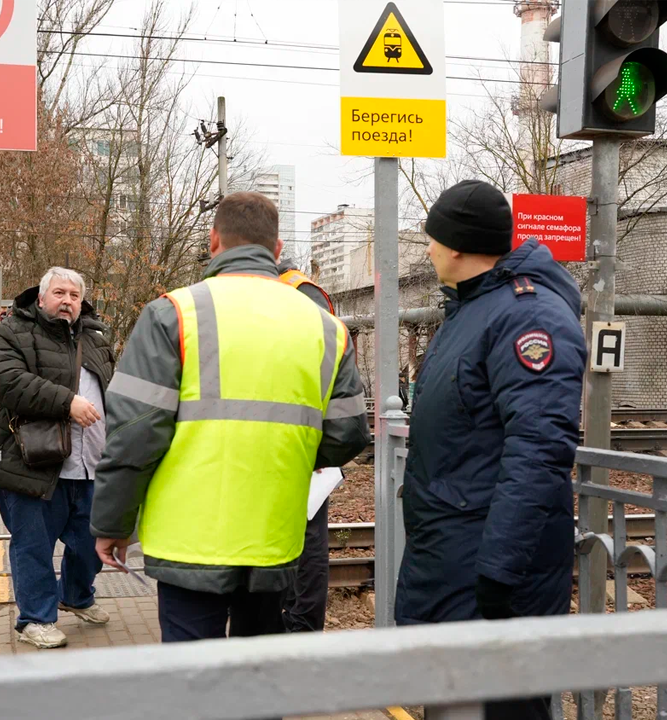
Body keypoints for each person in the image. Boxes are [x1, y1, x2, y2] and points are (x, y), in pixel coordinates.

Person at [91, 192, 371, 651]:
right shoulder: (324, 326)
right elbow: (348, 434)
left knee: (193, 680)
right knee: (259, 675)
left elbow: (132, 435)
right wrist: (287, 452)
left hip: (189, 540)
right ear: (277, 250)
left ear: (213, 240)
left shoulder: (174, 314)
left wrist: (113, 523)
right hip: (273, 536)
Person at [394, 180, 588, 720]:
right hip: (456, 555)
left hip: (485, 567)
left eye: (431, 237)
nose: (428, 248)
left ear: (457, 245)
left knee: (498, 707)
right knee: (457, 702)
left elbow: (539, 449)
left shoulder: (527, 317)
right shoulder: (474, 309)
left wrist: (499, 571)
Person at [0, 267, 115, 649]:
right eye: (59, 293)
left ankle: (75, 596)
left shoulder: (96, 339)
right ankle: (34, 619)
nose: (67, 301)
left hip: (90, 462)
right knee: (33, 545)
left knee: (92, 541)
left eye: (74, 295)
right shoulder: (11, 333)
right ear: (41, 297)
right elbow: (7, 381)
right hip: (29, 462)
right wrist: (66, 403)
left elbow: (112, 393)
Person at [277, 259, 341, 634]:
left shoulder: (299, 293)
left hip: (303, 444)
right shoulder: (298, 291)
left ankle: (301, 629)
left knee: (306, 544)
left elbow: (322, 368)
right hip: (288, 441)